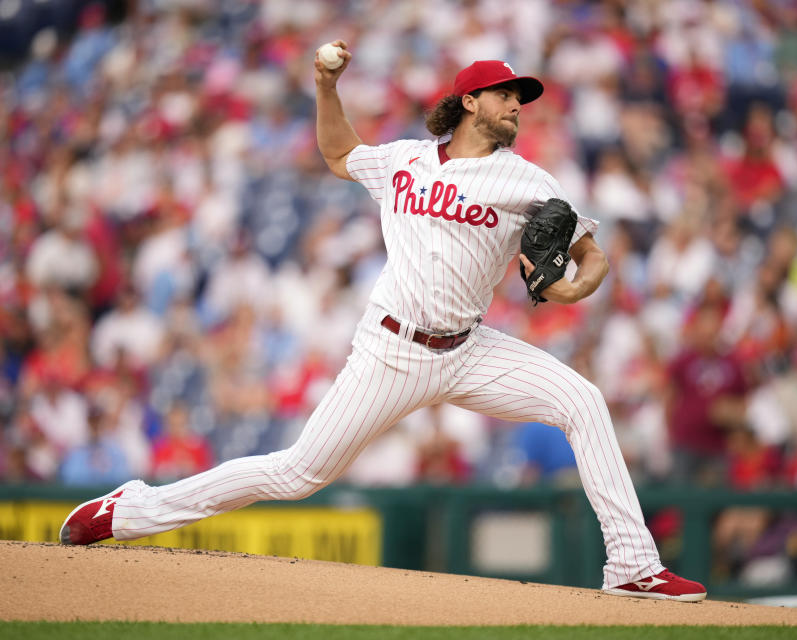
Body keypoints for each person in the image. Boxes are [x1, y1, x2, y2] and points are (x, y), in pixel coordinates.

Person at [58, 42, 706, 602]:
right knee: (296, 474)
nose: (517, 105)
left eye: (521, 97)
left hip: (470, 348)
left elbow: (593, 256)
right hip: (389, 351)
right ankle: (131, 510)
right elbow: (340, 153)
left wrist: (568, 289)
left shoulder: (527, 181)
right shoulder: (405, 161)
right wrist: (325, 84)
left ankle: (632, 565)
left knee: (584, 401)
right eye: (506, 94)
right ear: (470, 102)